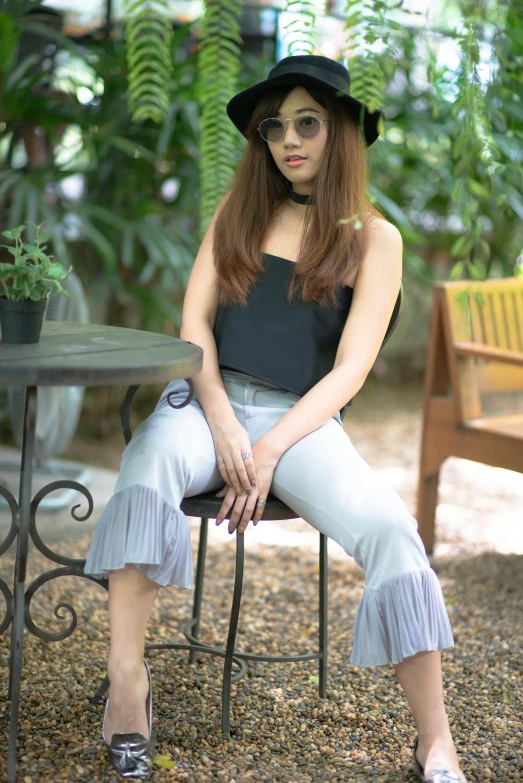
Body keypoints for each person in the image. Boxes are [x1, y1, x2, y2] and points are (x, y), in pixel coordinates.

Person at [84, 54, 467, 783]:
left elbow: (351, 370)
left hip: (302, 423)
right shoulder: (237, 214)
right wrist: (226, 426)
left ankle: (436, 740)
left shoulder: (373, 240)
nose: (288, 139)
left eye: (306, 123)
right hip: (207, 401)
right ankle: (127, 685)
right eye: (273, 127)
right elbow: (193, 324)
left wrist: (266, 450)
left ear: (342, 132)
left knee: (391, 527)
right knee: (148, 465)